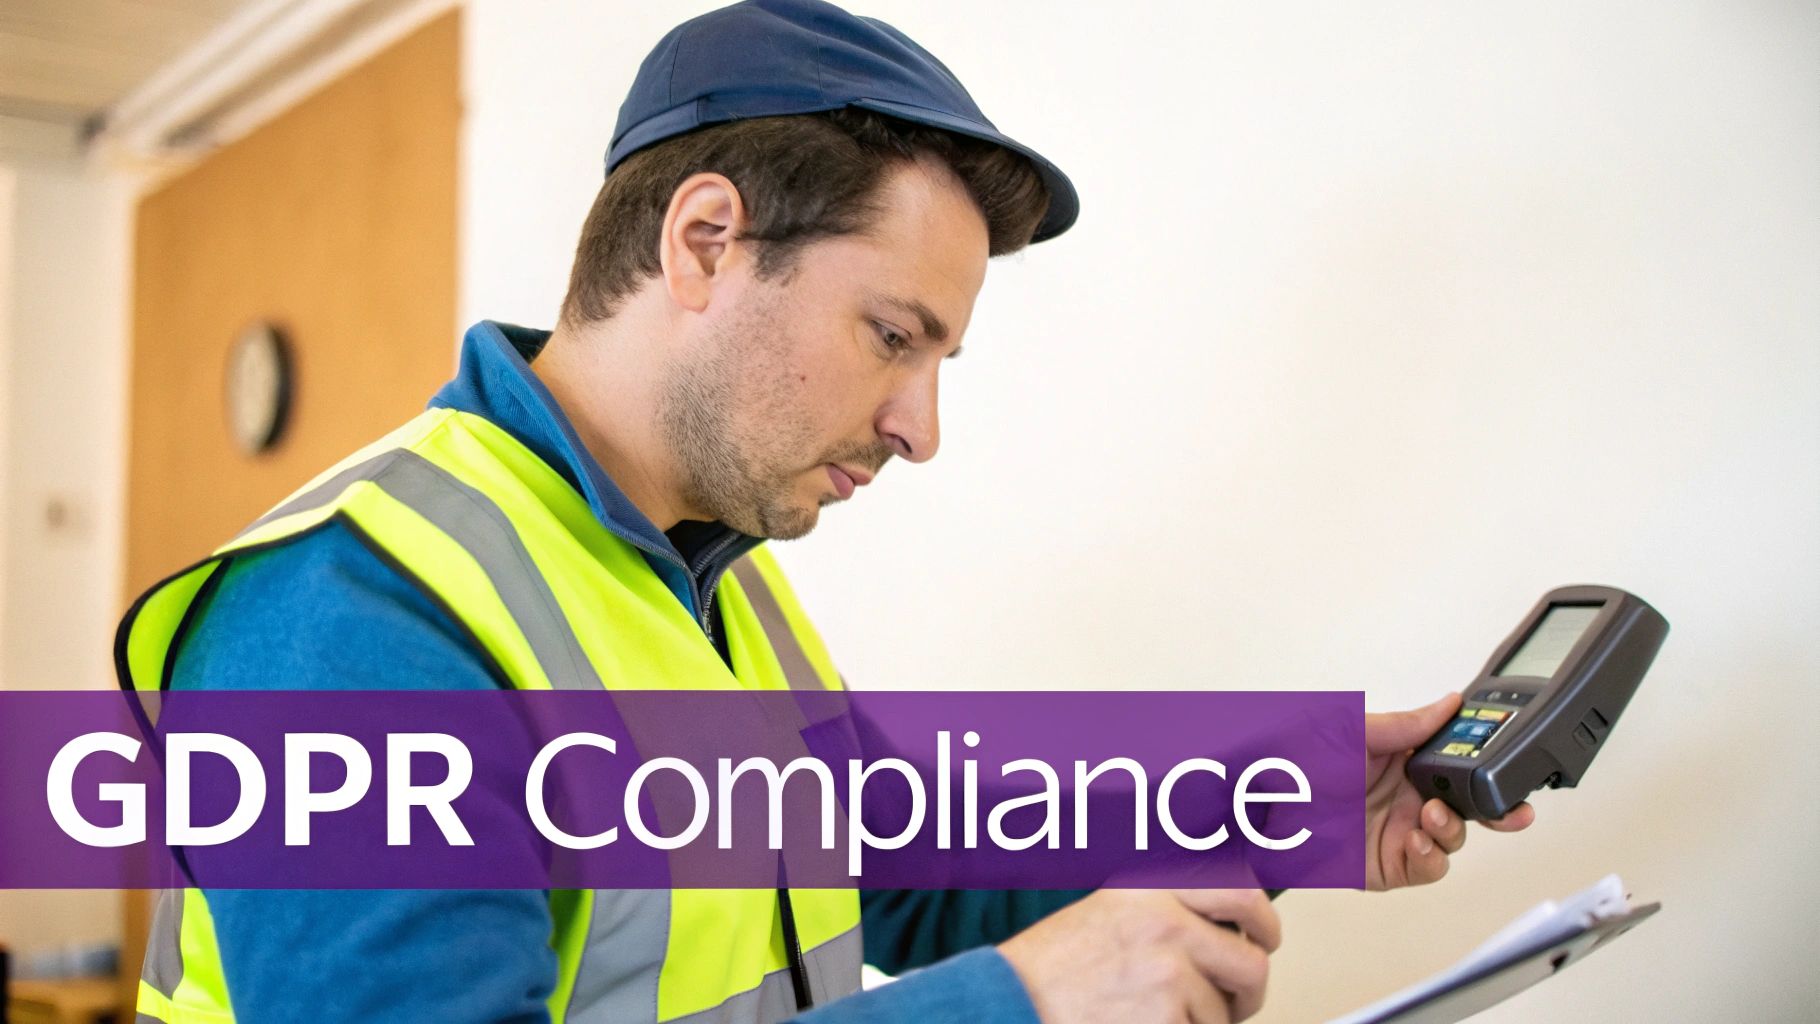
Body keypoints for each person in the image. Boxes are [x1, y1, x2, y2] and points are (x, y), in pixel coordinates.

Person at [116, 1, 1533, 1021]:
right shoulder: (346, 619)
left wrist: (1276, 803)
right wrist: (1016, 1006)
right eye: (893, 336)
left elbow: (903, 863)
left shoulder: (709, 580)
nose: (921, 429)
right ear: (705, 241)